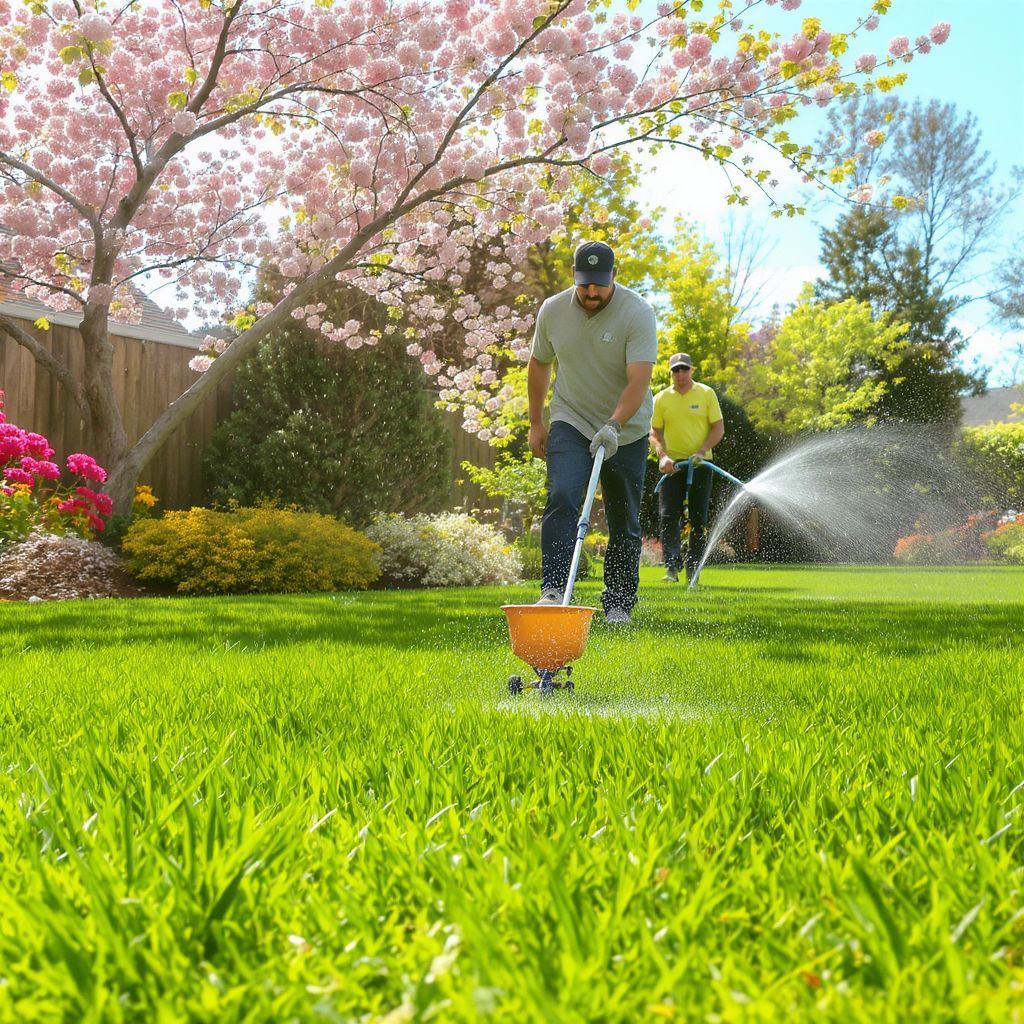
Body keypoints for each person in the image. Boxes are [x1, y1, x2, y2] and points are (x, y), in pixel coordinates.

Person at [527, 240, 657, 625]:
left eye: (599, 284)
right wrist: (537, 421)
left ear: (614, 277)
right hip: (572, 418)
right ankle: (552, 591)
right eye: (585, 284)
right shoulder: (552, 310)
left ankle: (617, 603)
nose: (592, 293)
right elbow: (538, 364)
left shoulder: (638, 313)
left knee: (623, 519)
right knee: (564, 495)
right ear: (574, 277)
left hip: (627, 430)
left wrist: (614, 425)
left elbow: (639, 380)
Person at [649, 352, 725, 583]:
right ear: (670, 373)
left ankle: (694, 569)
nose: (680, 374)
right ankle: (672, 567)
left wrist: (702, 451)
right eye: (675, 370)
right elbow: (653, 433)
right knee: (668, 515)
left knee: (698, 518)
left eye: (684, 369)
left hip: (701, 464)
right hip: (673, 467)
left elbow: (718, 429)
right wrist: (662, 456)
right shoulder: (661, 399)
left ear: (691, 370)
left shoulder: (706, 394)